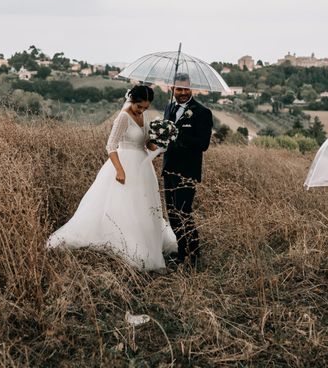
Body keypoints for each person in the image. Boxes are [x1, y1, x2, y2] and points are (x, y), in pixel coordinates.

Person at [47, 85, 177, 271]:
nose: (141, 110)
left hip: (142, 168)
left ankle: (147, 245)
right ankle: (125, 246)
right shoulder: (123, 117)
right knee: (123, 206)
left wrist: (161, 139)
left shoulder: (144, 117)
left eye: (145, 108)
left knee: (143, 206)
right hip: (124, 164)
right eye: (139, 106)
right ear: (132, 100)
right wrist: (119, 170)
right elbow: (111, 146)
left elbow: (146, 142)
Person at [162, 73, 213, 269]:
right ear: (172, 89)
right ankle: (181, 253)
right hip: (169, 168)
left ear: (191, 89)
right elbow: (166, 138)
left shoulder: (202, 112)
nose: (182, 93)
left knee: (184, 212)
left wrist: (177, 135)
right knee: (172, 214)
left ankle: (195, 255)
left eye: (186, 89)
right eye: (178, 89)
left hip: (187, 171)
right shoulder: (169, 107)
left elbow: (203, 144)